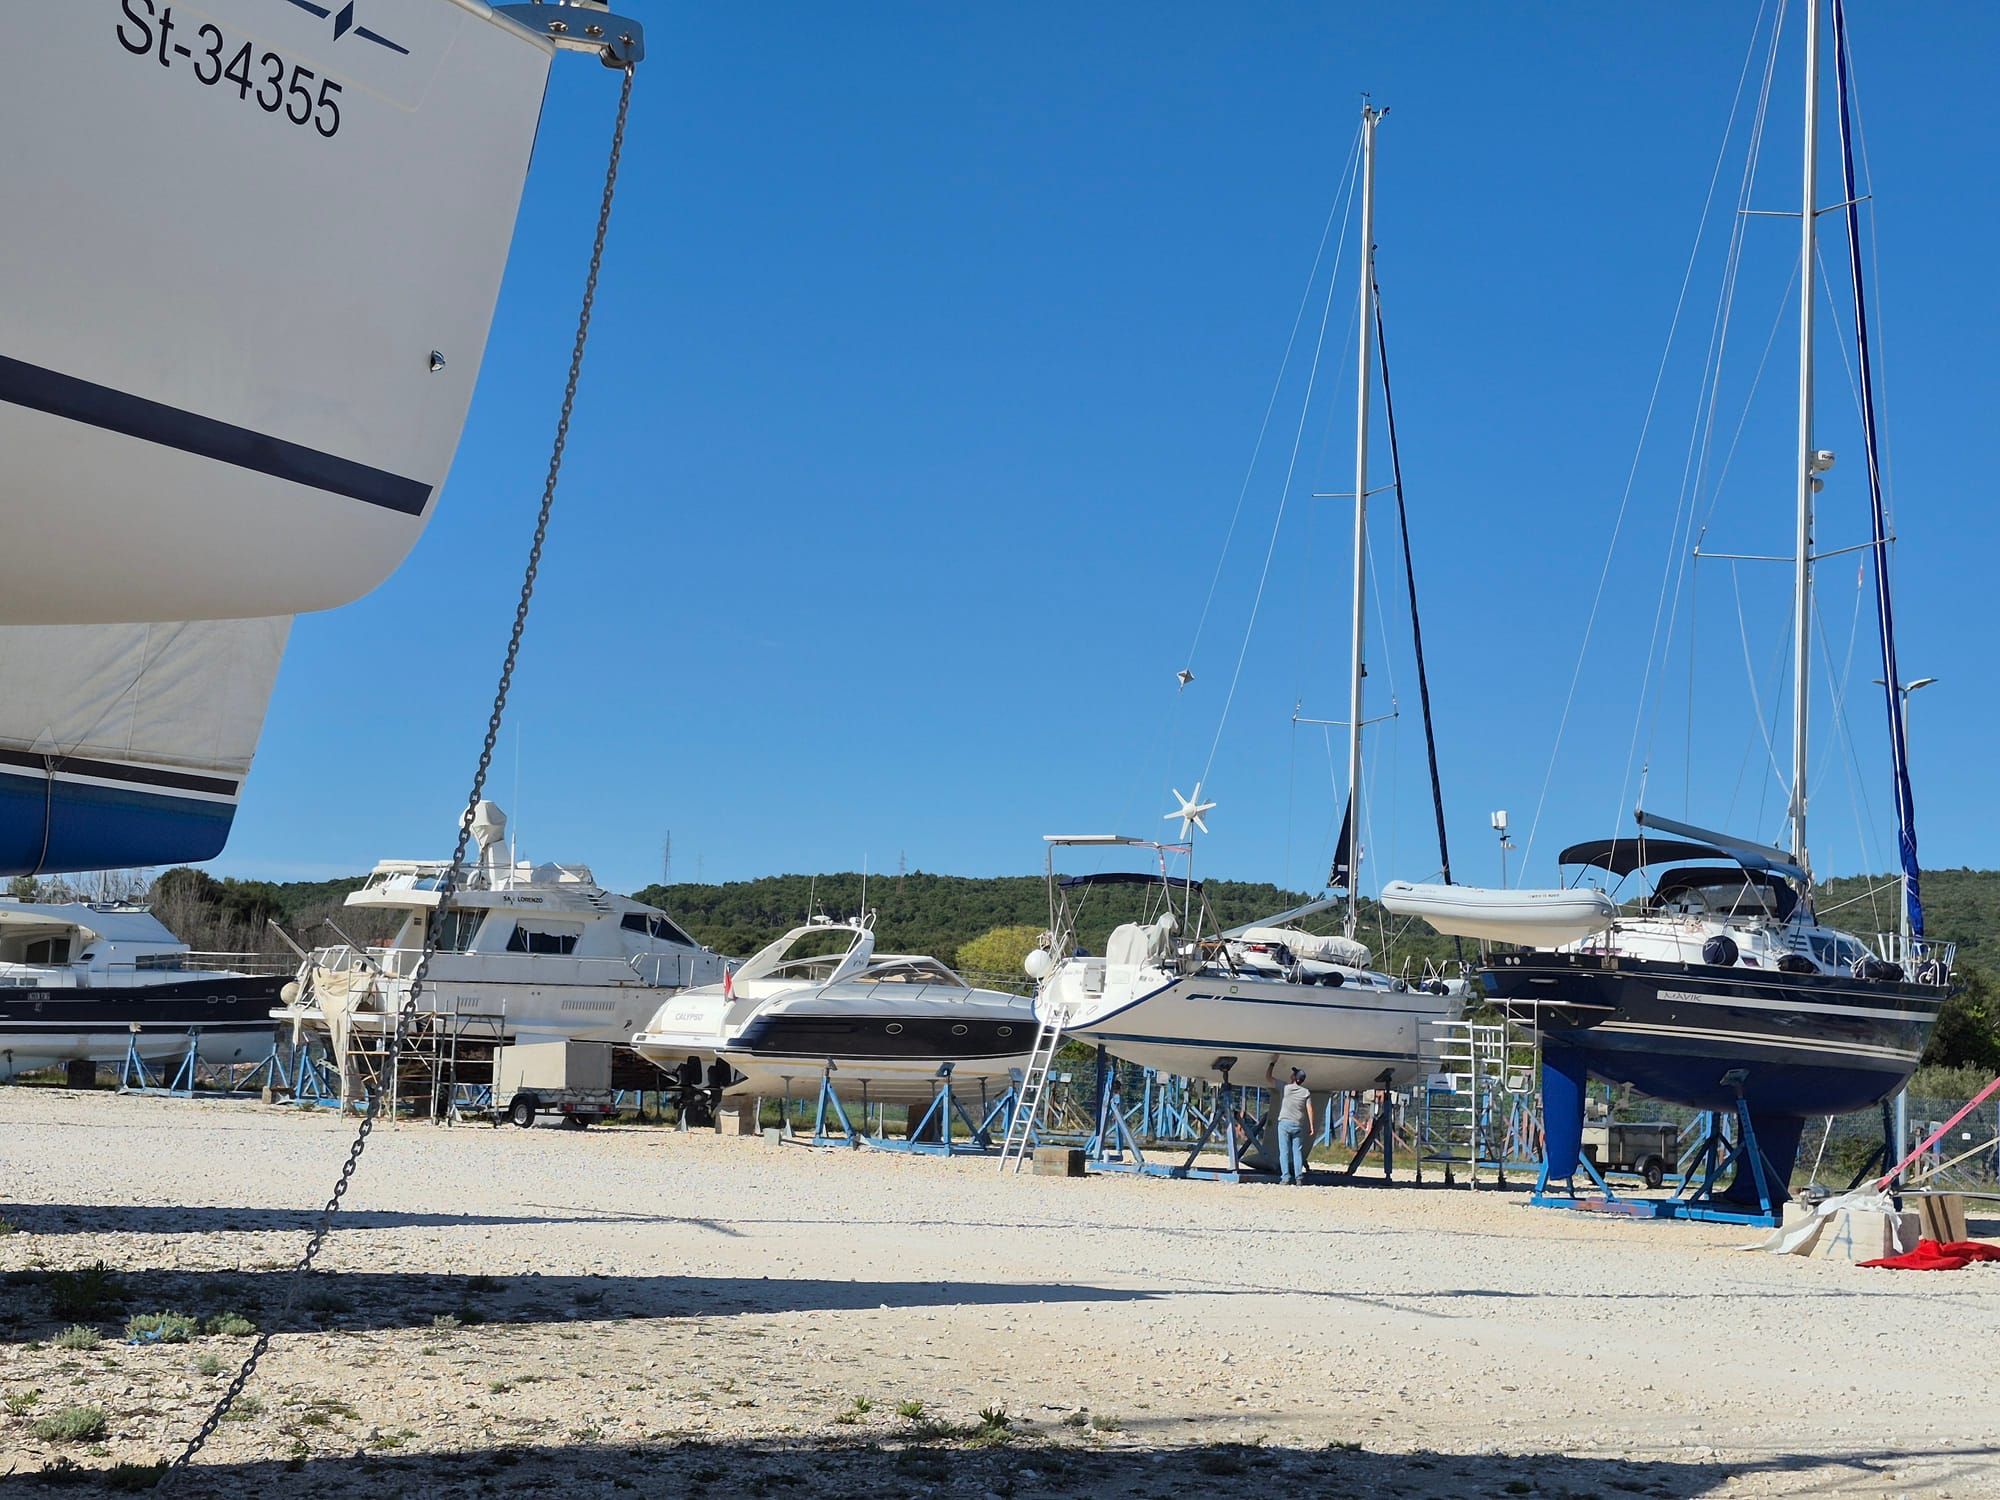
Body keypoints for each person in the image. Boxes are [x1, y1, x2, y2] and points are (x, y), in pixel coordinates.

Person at [1267, 1061, 1314, 1185]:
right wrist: (1311, 1126)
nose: (1291, 1074)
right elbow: (1309, 1109)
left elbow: (1268, 1078)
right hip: (1298, 1124)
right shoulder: (1306, 1092)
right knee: (1297, 1152)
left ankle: (1286, 1178)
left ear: (1294, 1078)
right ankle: (1299, 1177)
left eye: (1293, 1074)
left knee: (1284, 1152)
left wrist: (1271, 1064)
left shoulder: (1285, 1087)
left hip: (1284, 1123)